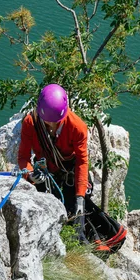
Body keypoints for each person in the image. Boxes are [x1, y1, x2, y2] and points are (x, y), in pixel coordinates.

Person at [18, 84, 89, 240]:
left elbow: (82, 162)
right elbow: (23, 157)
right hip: (43, 171)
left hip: (69, 170)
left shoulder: (77, 127)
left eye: (56, 122)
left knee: (78, 220)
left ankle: (80, 252)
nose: (51, 126)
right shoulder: (31, 123)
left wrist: (80, 196)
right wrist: (30, 175)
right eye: (48, 122)